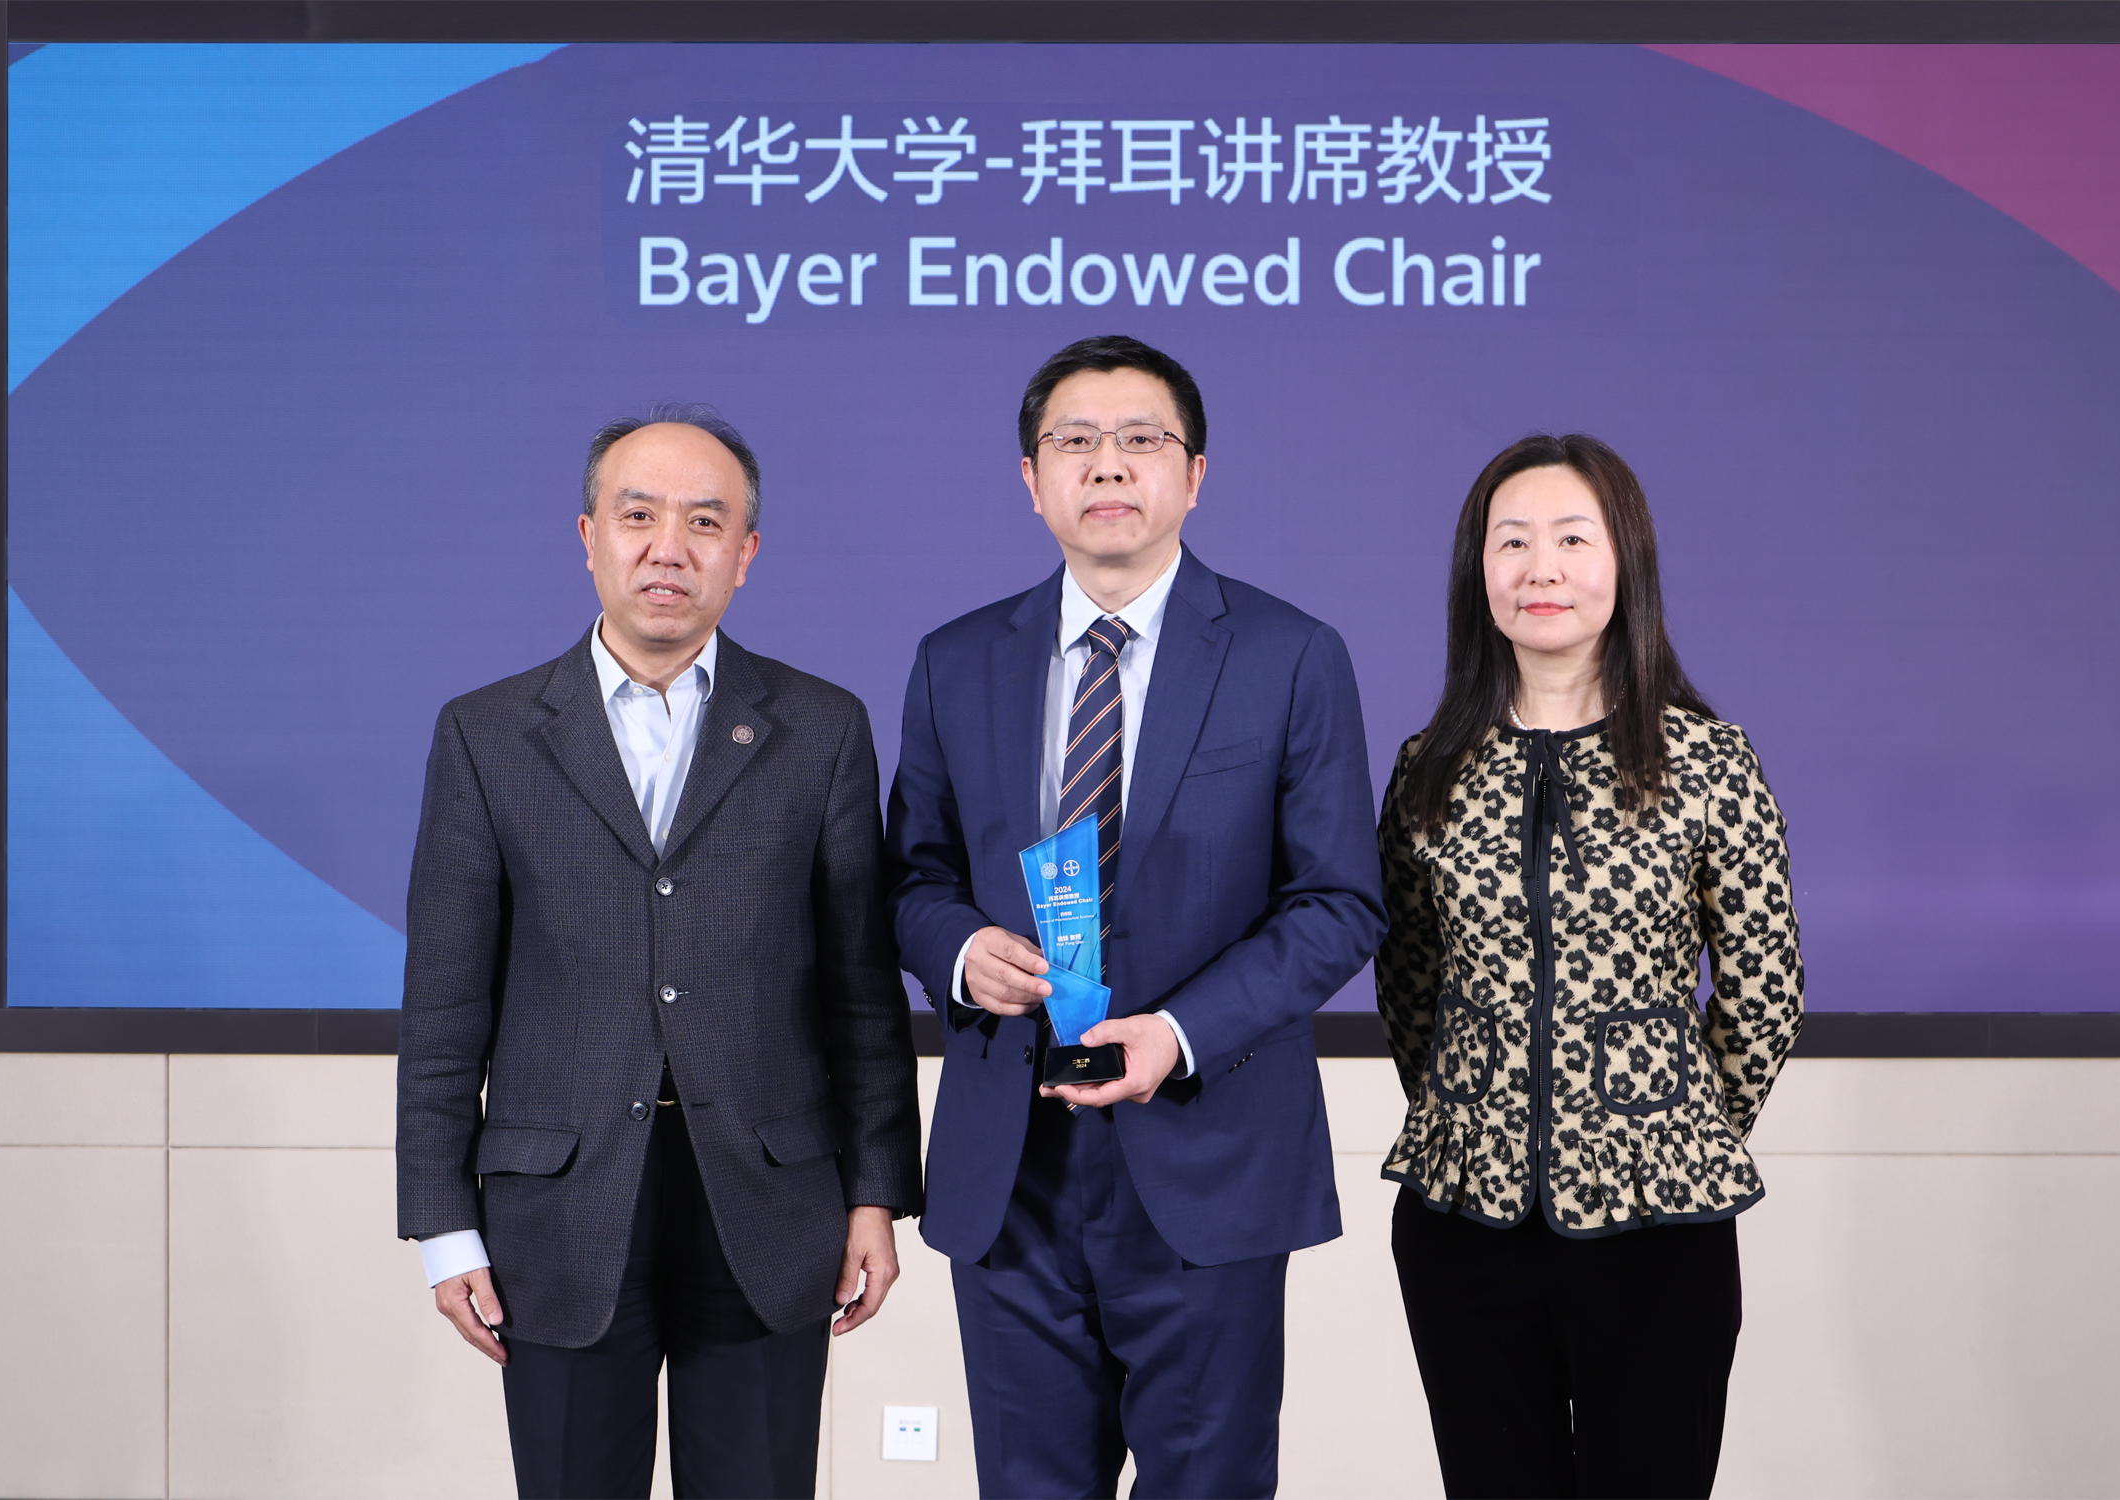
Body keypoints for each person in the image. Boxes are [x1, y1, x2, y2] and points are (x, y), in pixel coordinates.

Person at [884, 334, 1386, 1500]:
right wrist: (960, 950)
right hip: (1014, 1167)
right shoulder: (958, 662)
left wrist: (1178, 1032)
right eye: (1075, 441)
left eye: (1141, 440)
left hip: (1206, 1152)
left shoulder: (1289, 655)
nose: (1107, 464)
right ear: (1032, 478)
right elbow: (910, 878)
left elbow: (1338, 903)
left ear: (1194, 474)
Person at [395, 406, 922, 1500]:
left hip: (770, 1202)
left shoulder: (822, 728)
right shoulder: (486, 734)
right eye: (638, 516)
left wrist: (876, 1192)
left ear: (747, 552)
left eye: (704, 521)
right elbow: (445, 1004)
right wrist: (444, 1225)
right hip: (560, 1207)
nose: (668, 548)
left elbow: (861, 993)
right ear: (588, 536)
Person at [1376, 432, 1804, 1499]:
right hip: (1463, 1220)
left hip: (1657, 1219)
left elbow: (1765, 992)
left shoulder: (1709, 761)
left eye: (1573, 538)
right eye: (1512, 542)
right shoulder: (1429, 769)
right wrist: (1475, 1107)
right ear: (1478, 572)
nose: (1542, 568)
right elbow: (1409, 981)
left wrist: (1673, 1123)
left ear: (1627, 562)